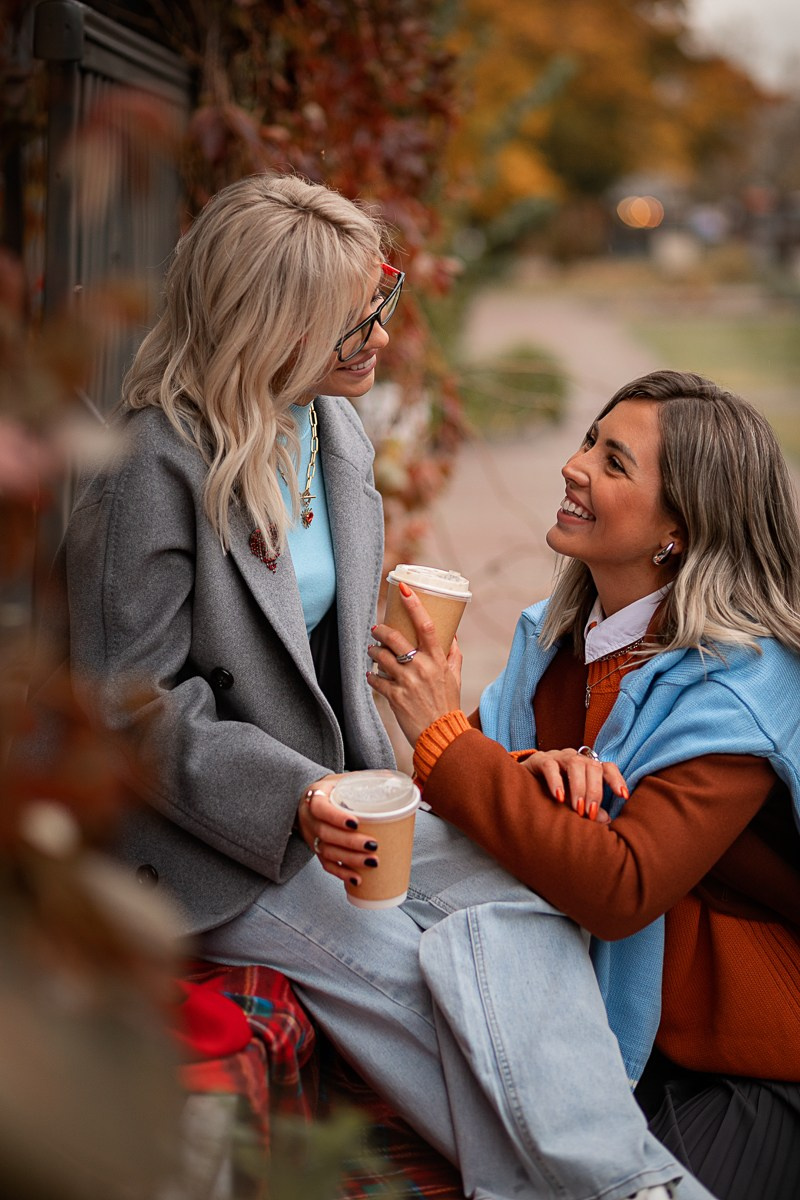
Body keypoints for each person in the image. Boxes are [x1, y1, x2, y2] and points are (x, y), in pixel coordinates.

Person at [40, 174, 709, 1200]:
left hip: (339, 803)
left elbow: (323, 651)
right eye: (356, 320)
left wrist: (427, 764)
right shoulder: (151, 469)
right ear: (273, 327)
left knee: (521, 885)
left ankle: (601, 1169)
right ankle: (622, 1189)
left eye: (383, 297)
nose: (381, 336)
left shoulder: (331, 431)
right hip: (197, 845)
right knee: (405, 972)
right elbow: (130, 706)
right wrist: (295, 799)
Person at [368, 370, 800, 1200]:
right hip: (582, 1036)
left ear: (678, 530)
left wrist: (444, 740)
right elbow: (483, 824)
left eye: (614, 462)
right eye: (586, 442)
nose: (574, 467)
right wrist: (522, 767)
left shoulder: (743, 685)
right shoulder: (552, 641)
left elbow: (621, 885)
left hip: (751, 1066)